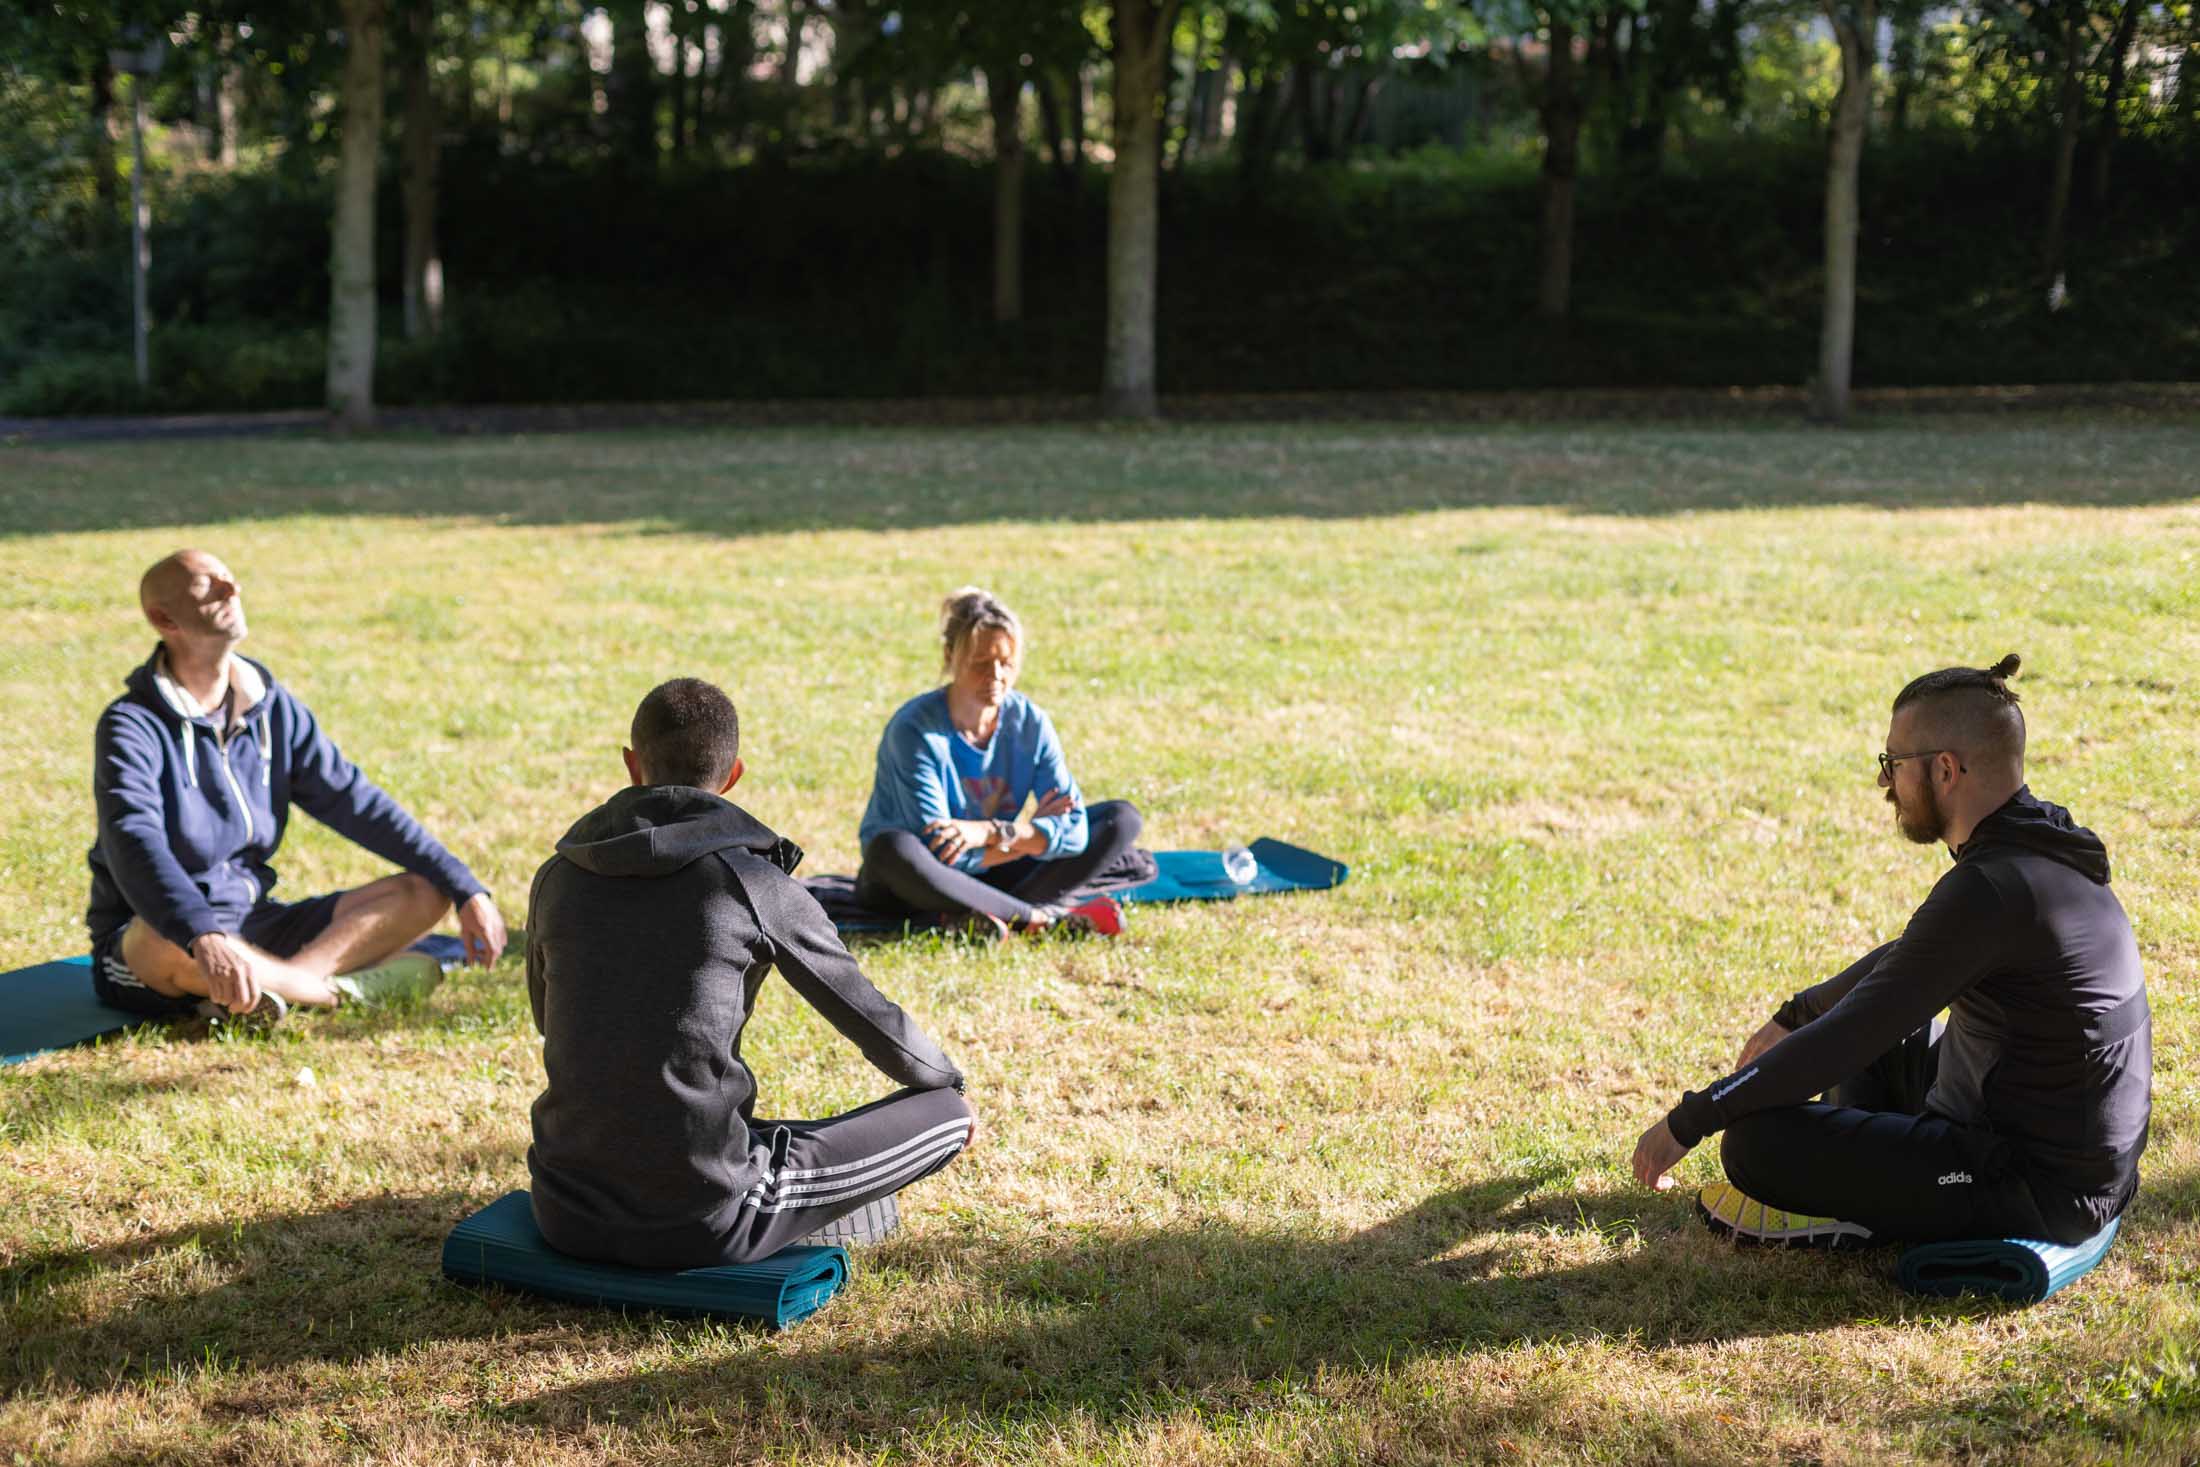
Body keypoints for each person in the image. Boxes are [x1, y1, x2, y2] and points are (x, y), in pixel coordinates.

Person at [1629, 654, 2150, 1248]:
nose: (1884, 782)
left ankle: (1859, 1213)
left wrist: (1691, 1119)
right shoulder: (2040, 844)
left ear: (1946, 770)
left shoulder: (1990, 890)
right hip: (2047, 1136)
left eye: (1894, 763)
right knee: (1869, 1046)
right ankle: (1878, 1182)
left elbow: (1847, 1038)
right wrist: (1799, 1012)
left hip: (2039, 1185)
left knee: (1756, 1143)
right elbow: (1908, 961)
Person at [525, 677, 974, 1267]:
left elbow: (547, 1017)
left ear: (632, 766)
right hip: (706, 1218)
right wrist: (948, 1083)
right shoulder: (754, 883)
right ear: (733, 775)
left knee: (727, 1125)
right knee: (946, 1116)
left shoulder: (555, 877)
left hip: (562, 1211)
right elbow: (877, 1024)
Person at [88, 549, 507, 1027]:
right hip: (160, 938)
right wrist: (202, 933)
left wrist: (466, 887)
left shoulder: (271, 708)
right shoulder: (131, 725)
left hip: (255, 923)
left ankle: (279, 990)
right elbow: (132, 841)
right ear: (163, 618)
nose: (231, 590)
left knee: (427, 889)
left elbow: (354, 802)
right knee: (159, 938)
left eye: (229, 579)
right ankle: (327, 995)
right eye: (208, 587)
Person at [855, 588, 1143, 938]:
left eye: (1006, 663)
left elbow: (1075, 834)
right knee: (891, 849)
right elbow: (946, 856)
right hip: (913, 884)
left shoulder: (1030, 722)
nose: (996, 676)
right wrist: (1033, 838)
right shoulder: (914, 731)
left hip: (988, 864)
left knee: (1120, 819)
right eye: (980, 663)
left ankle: (978, 915)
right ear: (950, 657)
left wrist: (995, 832)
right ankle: (1039, 921)